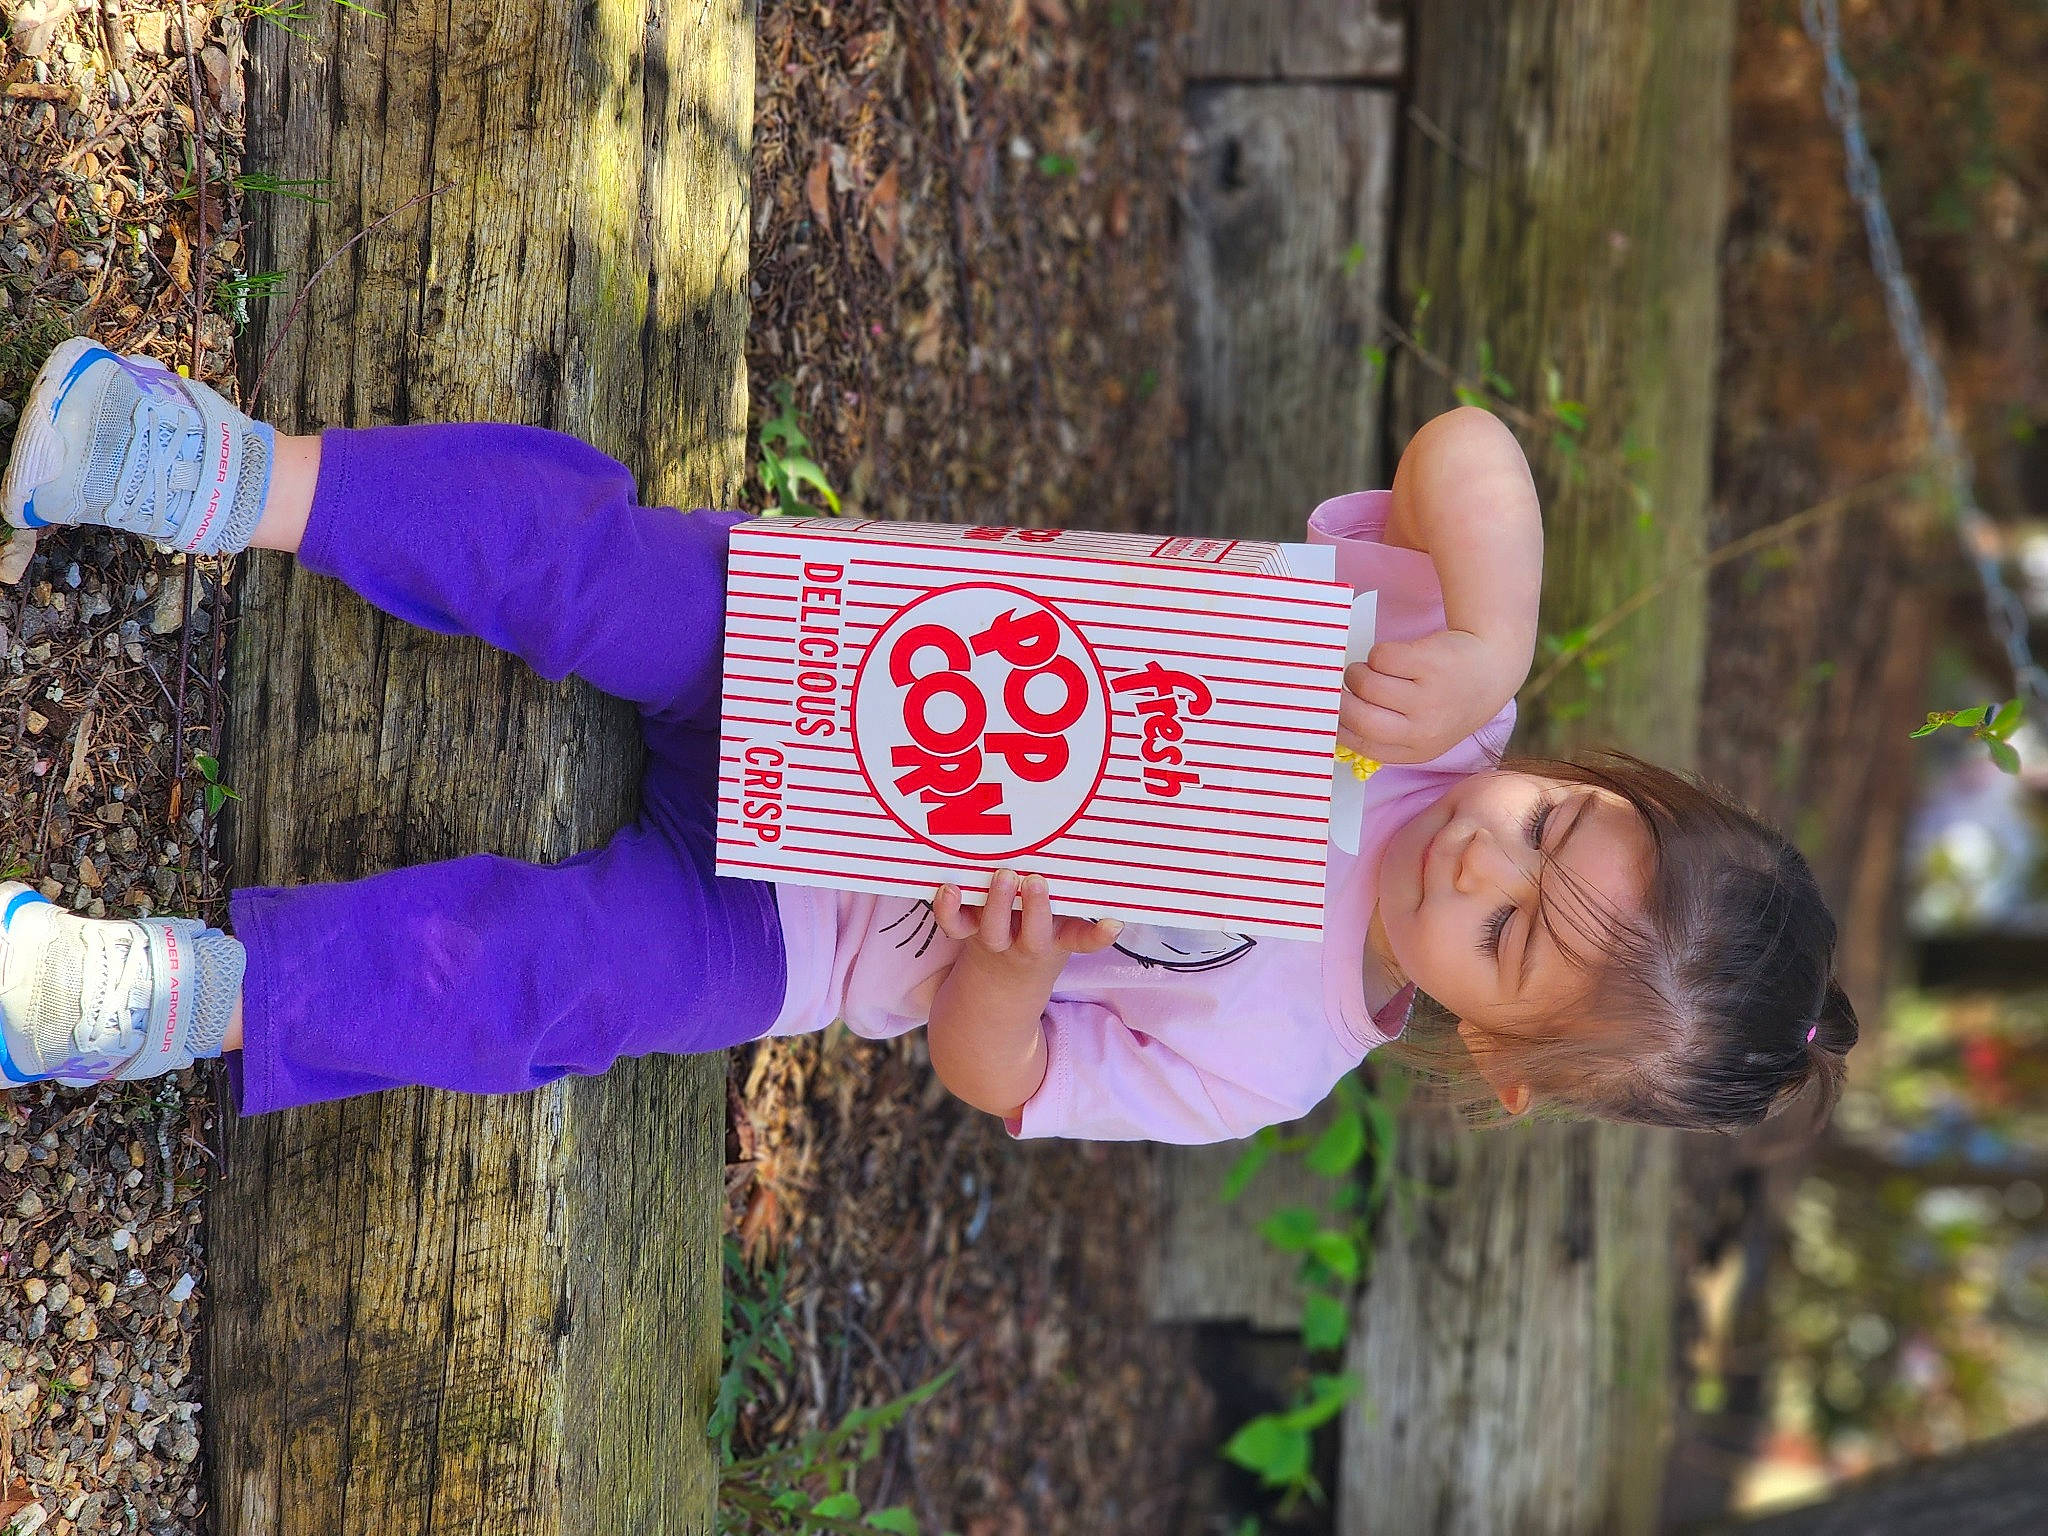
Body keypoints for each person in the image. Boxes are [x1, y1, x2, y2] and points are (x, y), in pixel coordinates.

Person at [0, 338, 1857, 1138]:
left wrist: (1006, 975)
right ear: (1582, 771)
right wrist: (1494, 631)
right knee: (569, 558)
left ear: (1500, 1055)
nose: (1483, 856)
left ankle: (171, 996)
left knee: (548, 989)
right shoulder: (1440, 682)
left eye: (1511, 934)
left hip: (807, 935)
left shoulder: (1279, 1057)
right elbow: (1471, 448)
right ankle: (208, 469)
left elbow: (1004, 1078)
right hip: (833, 652)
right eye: (1551, 824)